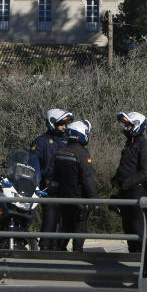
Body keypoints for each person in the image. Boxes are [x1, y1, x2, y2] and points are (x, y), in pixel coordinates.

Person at [111, 111, 147, 253]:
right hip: (125, 192)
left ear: (137, 126)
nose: (125, 128)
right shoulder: (129, 144)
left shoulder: (144, 144)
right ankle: (132, 259)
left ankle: (141, 262)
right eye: (125, 125)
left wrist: (127, 183)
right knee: (128, 228)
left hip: (137, 192)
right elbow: (125, 166)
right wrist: (116, 181)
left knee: (138, 229)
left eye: (129, 125)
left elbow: (146, 172)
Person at [32, 108, 74, 250]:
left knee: (66, 221)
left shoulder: (68, 140)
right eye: (62, 123)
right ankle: (44, 247)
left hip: (66, 187)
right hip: (49, 188)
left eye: (66, 124)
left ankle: (60, 248)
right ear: (52, 123)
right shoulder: (40, 141)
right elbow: (34, 164)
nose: (65, 127)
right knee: (50, 219)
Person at [53, 120, 98, 252]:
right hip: (79, 198)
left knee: (65, 225)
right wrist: (95, 199)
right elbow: (87, 178)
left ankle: (59, 249)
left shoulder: (60, 151)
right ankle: (78, 253)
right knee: (80, 225)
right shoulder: (82, 153)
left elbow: (55, 176)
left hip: (63, 196)